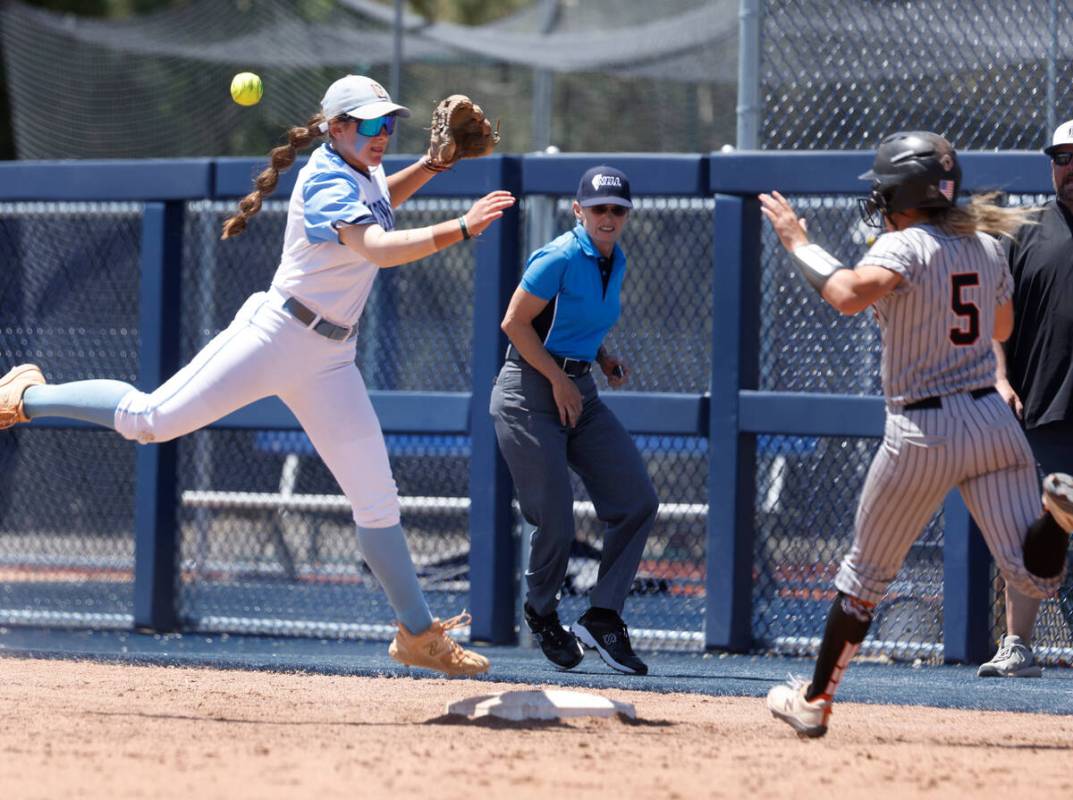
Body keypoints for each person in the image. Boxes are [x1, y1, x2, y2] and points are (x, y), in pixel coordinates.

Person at [0, 74, 515, 677]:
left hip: (330, 360)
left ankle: (417, 633)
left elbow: (381, 199)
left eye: (389, 123)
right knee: (149, 420)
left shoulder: (360, 168)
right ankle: (27, 394)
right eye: (372, 124)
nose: (383, 134)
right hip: (276, 336)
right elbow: (376, 246)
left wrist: (430, 165)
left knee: (377, 502)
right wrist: (460, 227)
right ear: (337, 127)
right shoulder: (325, 175)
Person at [759, 131, 1069, 738]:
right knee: (1035, 577)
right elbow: (1000, 320)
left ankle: (815, 702)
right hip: (990, 419)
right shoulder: (984, 242)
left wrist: (799, 242)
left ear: (903, 191)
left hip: (922, 426)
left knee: (864, 578)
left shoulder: (903, 245)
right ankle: (1055, 521)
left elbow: (847, 295)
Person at [489, 166, 658, 675]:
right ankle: (542, 614)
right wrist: (559, 380)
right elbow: (515, 323)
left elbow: (576, 321)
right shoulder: (560, 255)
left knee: (636, 501)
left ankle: (603, 616)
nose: (609, 217)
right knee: (557, 520)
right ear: (578, 210)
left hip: (577, 388)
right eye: (599, 208)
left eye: (618, 209)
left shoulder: (616, 259)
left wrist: (602, 358)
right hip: (528, 392)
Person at [977, 119, 1073, 678]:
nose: (1070, 167)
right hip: (1042, 406)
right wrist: (999, 375)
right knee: (1036, 527)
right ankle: (1017, 645)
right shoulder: (1026, 230)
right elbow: (994, 314)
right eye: (1061, 157)